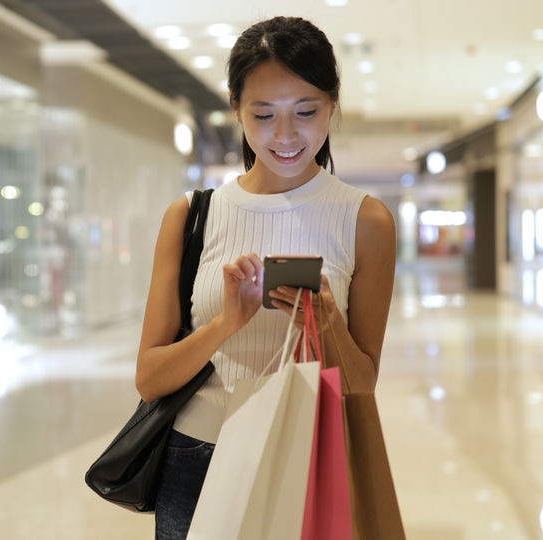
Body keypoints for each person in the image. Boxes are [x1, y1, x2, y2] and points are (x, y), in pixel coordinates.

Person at [134, 16, 397, 539]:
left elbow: (362, 383)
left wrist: (326, 321)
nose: (285, 136)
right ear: (236, 109)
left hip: (309, 456)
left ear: (332, 104)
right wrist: (226, 323)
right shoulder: (190, 216)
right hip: (196, 460)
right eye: (263, 114)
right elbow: (150, 377)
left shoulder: (364, 220)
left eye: (306, 111)